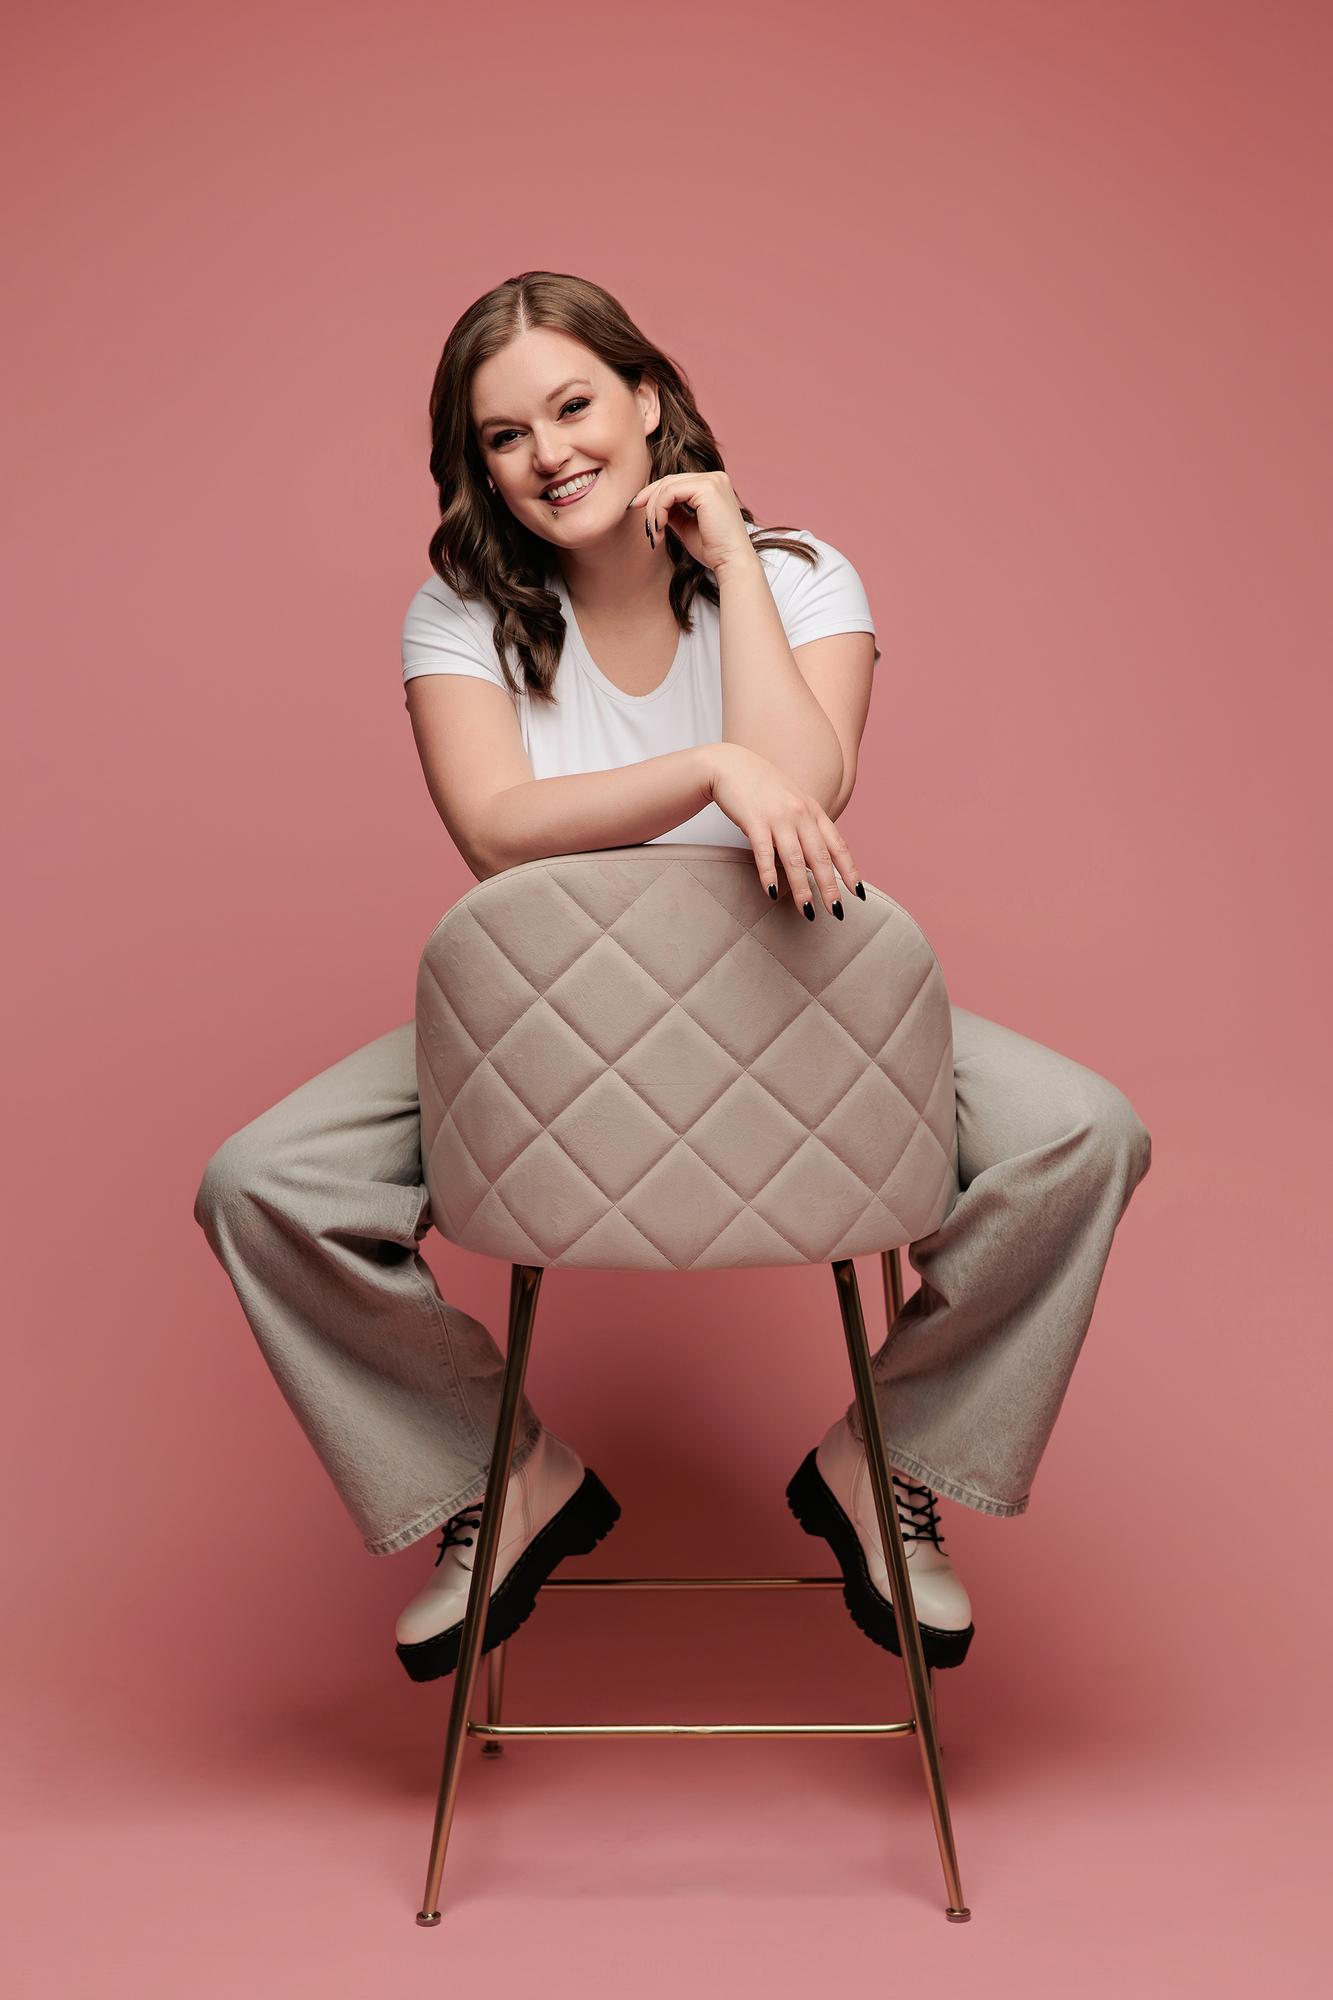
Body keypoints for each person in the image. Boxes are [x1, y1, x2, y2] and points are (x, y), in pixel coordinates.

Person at [193, 270, 1152, 1686]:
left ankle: (891, 1459)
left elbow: (809, 782)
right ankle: (496, 1474)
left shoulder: (802, 574)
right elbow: (494, 831)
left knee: (1082, 1134)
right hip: (549, 1024)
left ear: (648, 400)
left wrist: (737, 567)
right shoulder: (458, 611)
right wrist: (704, 770)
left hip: (802, 1000)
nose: (549, 453)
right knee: (263, 1184)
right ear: (478, 465)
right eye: (505, 435)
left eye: (574, 405)